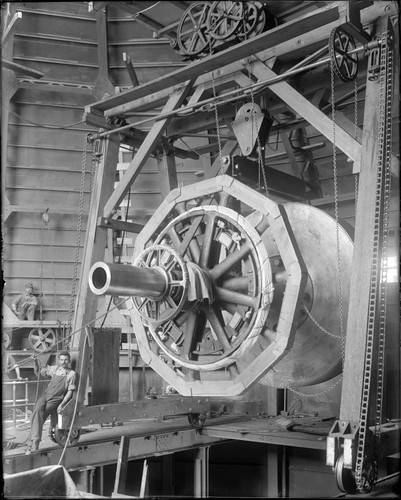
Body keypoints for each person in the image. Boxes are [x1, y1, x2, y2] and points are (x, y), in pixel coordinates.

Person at [27, 351, 77, 452]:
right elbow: (39, 372)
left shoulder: (72, 374)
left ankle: (34, 442)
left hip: (56, 399)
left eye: (66, 360)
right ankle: (32, 441)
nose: (63, 362)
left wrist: (62, 404)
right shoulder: (55, 369)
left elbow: (70, 392)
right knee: (37, 411)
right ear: (59, 360)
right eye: (62, 360)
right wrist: (35, 361)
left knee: (42, 415)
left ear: (69, 361)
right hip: (45, 395)